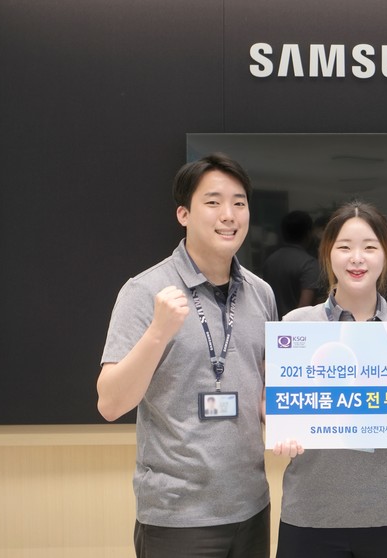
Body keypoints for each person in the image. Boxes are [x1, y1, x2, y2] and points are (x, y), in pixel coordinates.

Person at [96, 153, 277, 558]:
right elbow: (110, 403)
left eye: (239, 203)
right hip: (176, 517)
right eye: (213, 202)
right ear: (183, 214)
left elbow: (268, 393)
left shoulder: (261, 293)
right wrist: (158, 332)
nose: (228, 215)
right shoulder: (144, 291)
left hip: (251, 507)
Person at [272, 200, 387, 558]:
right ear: (327, 253)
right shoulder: (297, 326)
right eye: (345, 247)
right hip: (311, 513)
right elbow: (279, 405)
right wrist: (280, 428)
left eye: (370, 247)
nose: (357, 258)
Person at [263, 210, 322, 317]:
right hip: (296, 325)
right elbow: (304, 307)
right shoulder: (308, 264)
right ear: (308, 234)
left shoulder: (270, 260)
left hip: (272, 322)